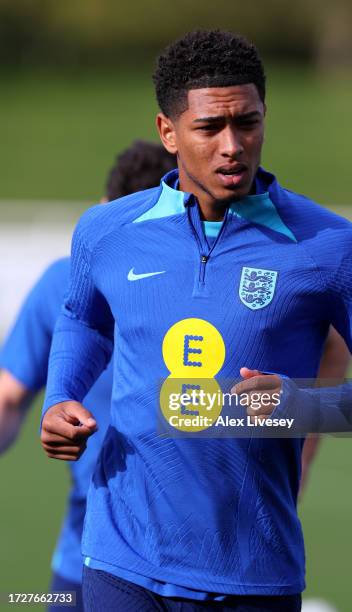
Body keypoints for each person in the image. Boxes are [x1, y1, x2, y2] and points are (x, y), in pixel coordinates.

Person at [40, 30, 352, 612]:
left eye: (248, 123)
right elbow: (82, 319)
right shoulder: (106, 232)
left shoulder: (328, 246)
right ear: (168, 132)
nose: (232, 145)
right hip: (121, 562)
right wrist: (60, 395)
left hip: (254, 574)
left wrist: (304, 405)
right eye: (210, 128)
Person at [0, 140, 176, 611]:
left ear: (103, 208)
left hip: (101, 557)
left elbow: (6, 400)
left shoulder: (64, 279)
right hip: (168, 555)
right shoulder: (201, 284)